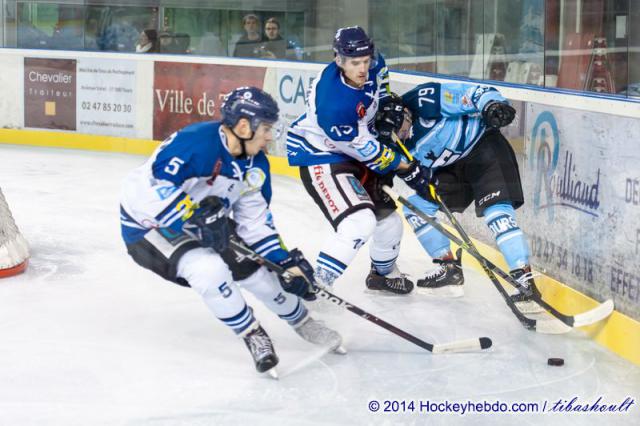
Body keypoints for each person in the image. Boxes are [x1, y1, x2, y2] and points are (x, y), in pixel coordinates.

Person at [120, 87, 344, 377]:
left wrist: (285, 263)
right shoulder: (194, 142)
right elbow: (147, 192)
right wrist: (192, 214)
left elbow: (254, 224)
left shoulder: (256, 166)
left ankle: (302, 321)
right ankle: (252, 333)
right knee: (210, 270)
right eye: (265, 128)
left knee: (258, 273)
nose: (269, 137)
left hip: (205, 219)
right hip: (148, 227)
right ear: (243, 126)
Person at [286, 26, 433, 295]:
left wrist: (390, 108)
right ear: (338, 59)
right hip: (323, 155)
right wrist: (408, 168)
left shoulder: (375, 63)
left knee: (388, 222)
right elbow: (368, 151)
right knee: (360, 222)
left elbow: (383, 92)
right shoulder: (333, 103)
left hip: (355, 148)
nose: (363, 68)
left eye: (366, 61)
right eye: (355, 63)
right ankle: (316, 283)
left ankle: (382, 274)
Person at [374, 84, 541, 310]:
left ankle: (524, 279)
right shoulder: (390, 140)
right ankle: (448, 268)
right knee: (416, 208)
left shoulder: (425, 100)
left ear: (405, 112)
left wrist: (491, 104)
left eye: (400, 128)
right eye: (394, 134)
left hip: (484, 148)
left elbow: (472, 94)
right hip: (452, 169)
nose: (401, 135)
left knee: (496, 213)